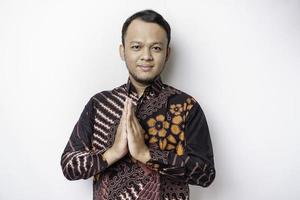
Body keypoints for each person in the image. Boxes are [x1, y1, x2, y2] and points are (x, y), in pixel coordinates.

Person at [60, 9, 216, 200]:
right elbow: (69, 166)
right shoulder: (100, 104)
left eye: (156, 48)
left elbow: (206, 174)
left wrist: (147, 154)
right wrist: (113, 152)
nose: (146, 56)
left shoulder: (186, 107)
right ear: (122, 51)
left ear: (167, 53)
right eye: (136, 47)